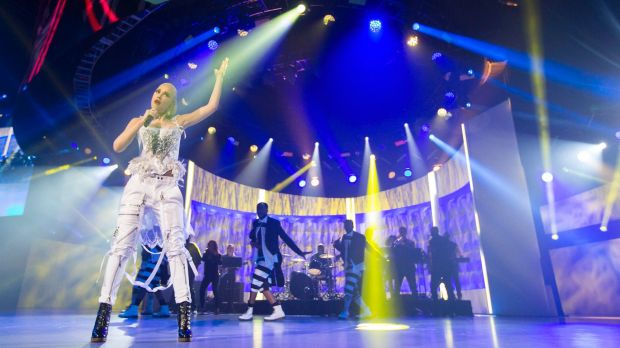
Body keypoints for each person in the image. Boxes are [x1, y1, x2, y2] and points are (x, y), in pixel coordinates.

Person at [90, 58, 229, 343]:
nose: (159, 95)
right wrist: (142, 121)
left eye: (166, 93)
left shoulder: (178, 122)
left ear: (172, 101)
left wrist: (219, 78)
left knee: (176, 248)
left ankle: (184, 315)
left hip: (167, 188)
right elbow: (118, 146)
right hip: (139, 185)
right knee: (121, 247)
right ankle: (103, 314)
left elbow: (210, 108)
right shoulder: (139, 121)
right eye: (157, 91)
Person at [238, 202, 309, 321]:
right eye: (258, 209)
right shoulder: (256, 223)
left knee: (255, 283)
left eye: (262, 209)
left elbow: (285, 238)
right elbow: (253, 237)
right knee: (264, 287)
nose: (260, 211)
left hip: (270, 258)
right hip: (260, 258)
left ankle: (249, 311)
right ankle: (278, 310)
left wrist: (300, 252)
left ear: (266, 210)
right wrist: (254, 243)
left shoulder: (274, 223)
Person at [118, 245, 171, 318]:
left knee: (144, 284)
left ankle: (134, 308)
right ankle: (163, 308)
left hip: (153, 256)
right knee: (154, 285)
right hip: (159, 257)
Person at [333, 220, 372, 320]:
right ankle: (367, 311)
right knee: (355, 292)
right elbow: (343, 249)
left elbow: (368, 247)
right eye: (345, 225)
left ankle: (345, 311)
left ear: (352, 226)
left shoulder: (359, 237)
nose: (346, 227)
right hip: (348, 266)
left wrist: (380, 256)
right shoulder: (344, 237)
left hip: (356, 266)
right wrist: (339, 255)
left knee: (348, 289)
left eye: (348, 225)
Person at [428, 226, 454, 301]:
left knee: (433, 286)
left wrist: (430, 264)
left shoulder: (432, 241)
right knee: (448, 284)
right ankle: (452, 301)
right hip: (445, 265)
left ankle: (435, 301)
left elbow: (431, 253)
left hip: (437, 266)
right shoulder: (443, 240)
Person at [392, 227, 418, 297]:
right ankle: (396, 303)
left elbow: (413, 253)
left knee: (413, 286)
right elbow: (393, 253)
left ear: (405, 233)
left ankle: (416, 301)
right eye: (401, 232)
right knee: (397, 287)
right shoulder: (396, 243)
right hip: (400, 267)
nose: (402, 233)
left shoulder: (410, 243)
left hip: (408, 267)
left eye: (403, 232)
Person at [199, 240, 222, 313]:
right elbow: (202, 259)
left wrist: (215, 255)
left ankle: (217, 308)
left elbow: (220, 262)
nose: (211, 247)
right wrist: (207, 254)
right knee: (202, 289)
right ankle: (202, 307)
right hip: (207, 275)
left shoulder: (218, 254)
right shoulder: (206, 253)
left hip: (215, 275)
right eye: (210, 245)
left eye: (212, 245)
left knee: (215, 290)